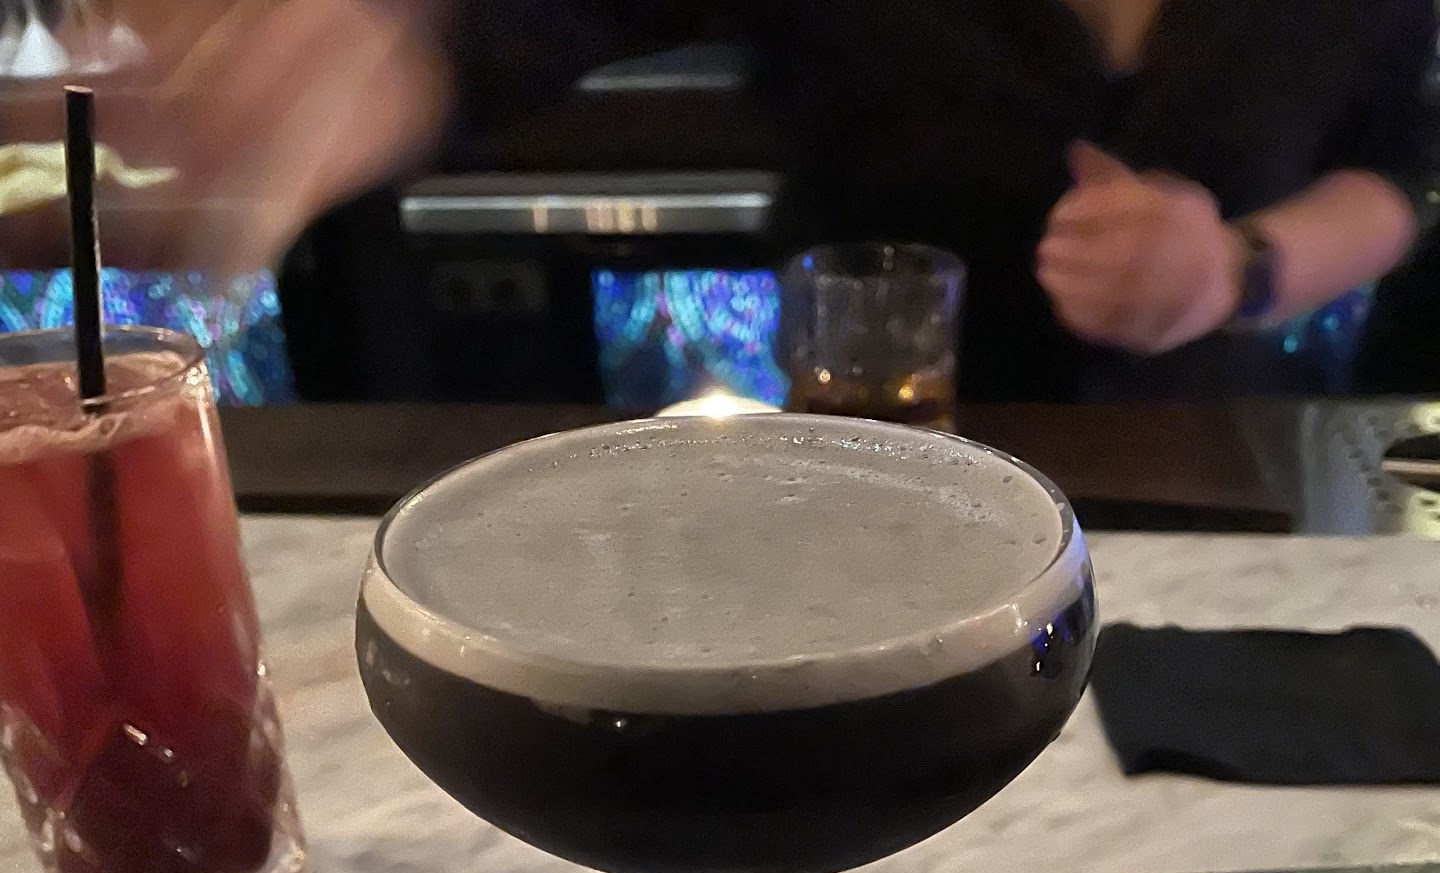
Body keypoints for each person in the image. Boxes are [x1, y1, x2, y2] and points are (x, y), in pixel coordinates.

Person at [114, 0, 1437, 398]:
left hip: (1206, 476)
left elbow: (1409, 158)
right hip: (878, 459)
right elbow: (505, 30)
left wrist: (1240, 269)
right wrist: (359, 51)